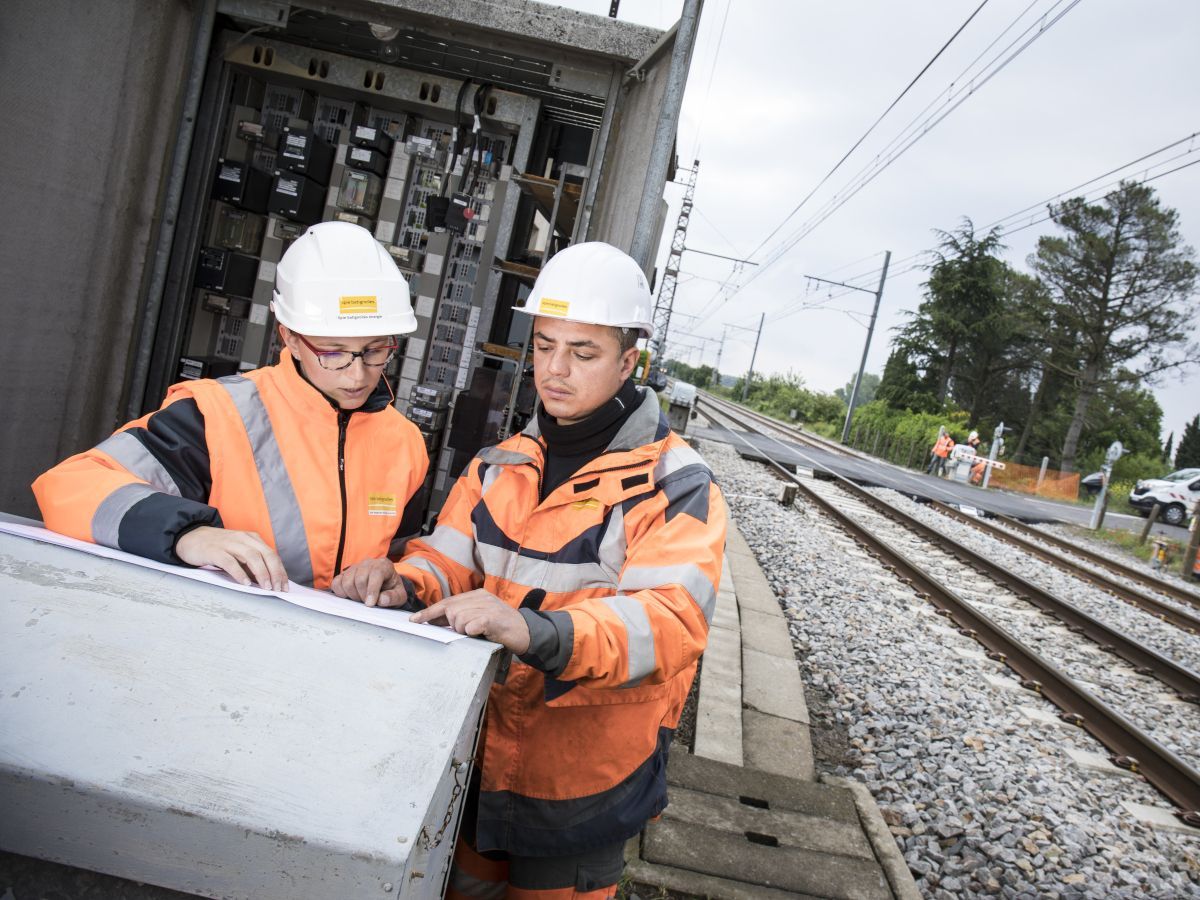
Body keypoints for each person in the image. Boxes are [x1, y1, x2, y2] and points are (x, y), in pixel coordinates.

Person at [332, 242, 728, 900]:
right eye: (545, 346)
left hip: (584, 787)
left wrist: (530, 628)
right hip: (478, 765)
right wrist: (403, 581)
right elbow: (448, 560)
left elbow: (668, 624)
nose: (556, 370)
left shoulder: (675, 484)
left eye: (584, 351)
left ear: (631, 361)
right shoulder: (500, 465)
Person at [32, 221, 428, 591]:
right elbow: (70, 487)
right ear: (289, 337)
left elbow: (405, 559)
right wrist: (188, 534)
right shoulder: (218, 415)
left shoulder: (405, 444)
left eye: (375, 351)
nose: (356, 375)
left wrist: (395, 580)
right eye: (334, 353)